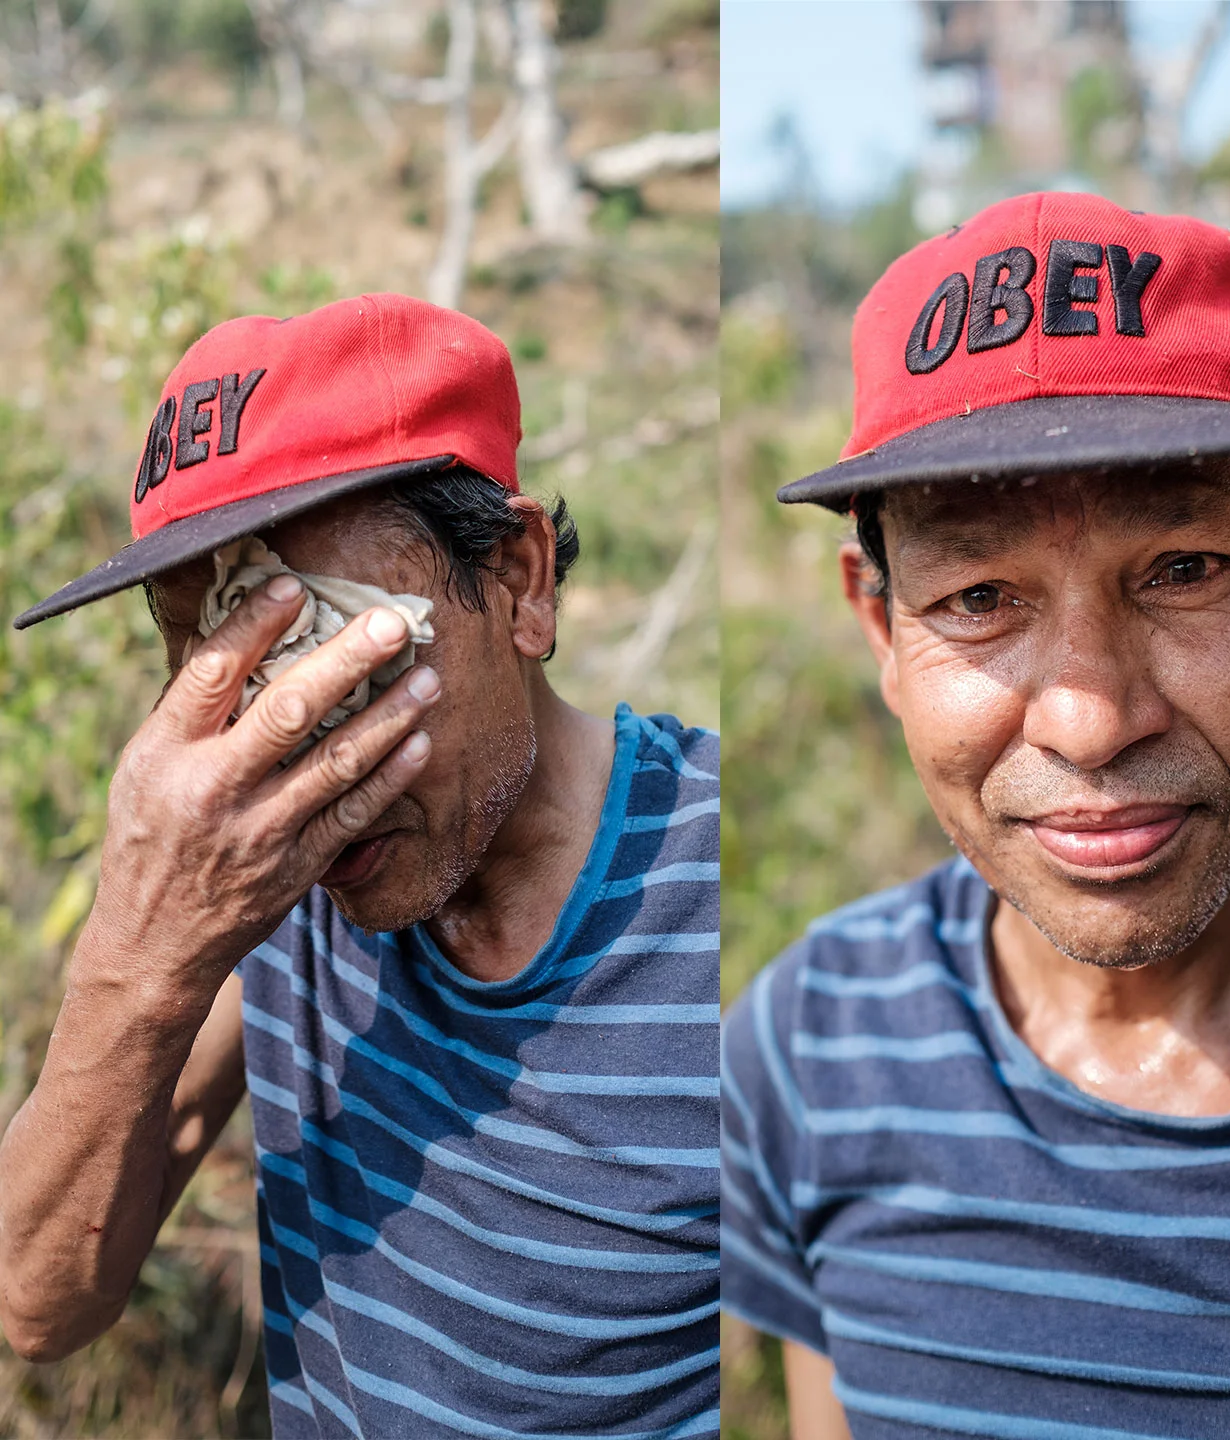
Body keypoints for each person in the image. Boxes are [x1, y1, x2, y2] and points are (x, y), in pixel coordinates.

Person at [721, 191, 1230, 1438]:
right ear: (883, 629)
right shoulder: (804, 1055)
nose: (1092, 720)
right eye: (981, 596)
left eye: (1183, 570)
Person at [0, 294, 720, 1437]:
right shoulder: (262, 874)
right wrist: (141, 952)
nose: (301, 748)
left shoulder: (714, 920)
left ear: (521, 582)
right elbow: (38, 1301)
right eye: (214, 660)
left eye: (334, 656)